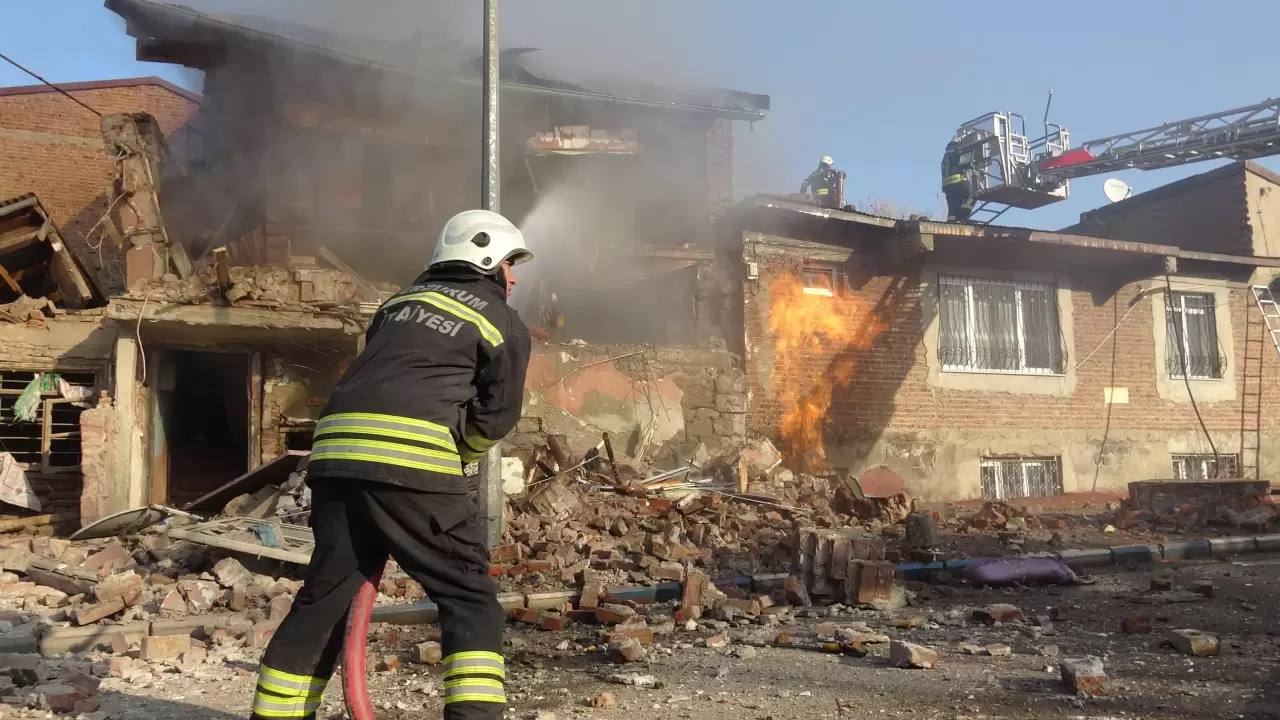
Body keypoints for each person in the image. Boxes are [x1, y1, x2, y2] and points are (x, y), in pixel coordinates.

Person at [249, 209, 533, 720]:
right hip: (412, 462)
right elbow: (497, 414)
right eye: (511, 264)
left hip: (334, 457)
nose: (513, 278)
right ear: (488, 260)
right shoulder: (500, 318)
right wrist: (462, 455)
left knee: (325, 599)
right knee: (468, 595)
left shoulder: (397, 304)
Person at [941, 136, 975, 222]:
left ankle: (951, 221)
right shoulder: (957, 153)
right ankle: (963, 215)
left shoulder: (945, 157)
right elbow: (966, 163)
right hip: (958, 182)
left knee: (953, 207)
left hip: (947, 186)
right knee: (974, 195)